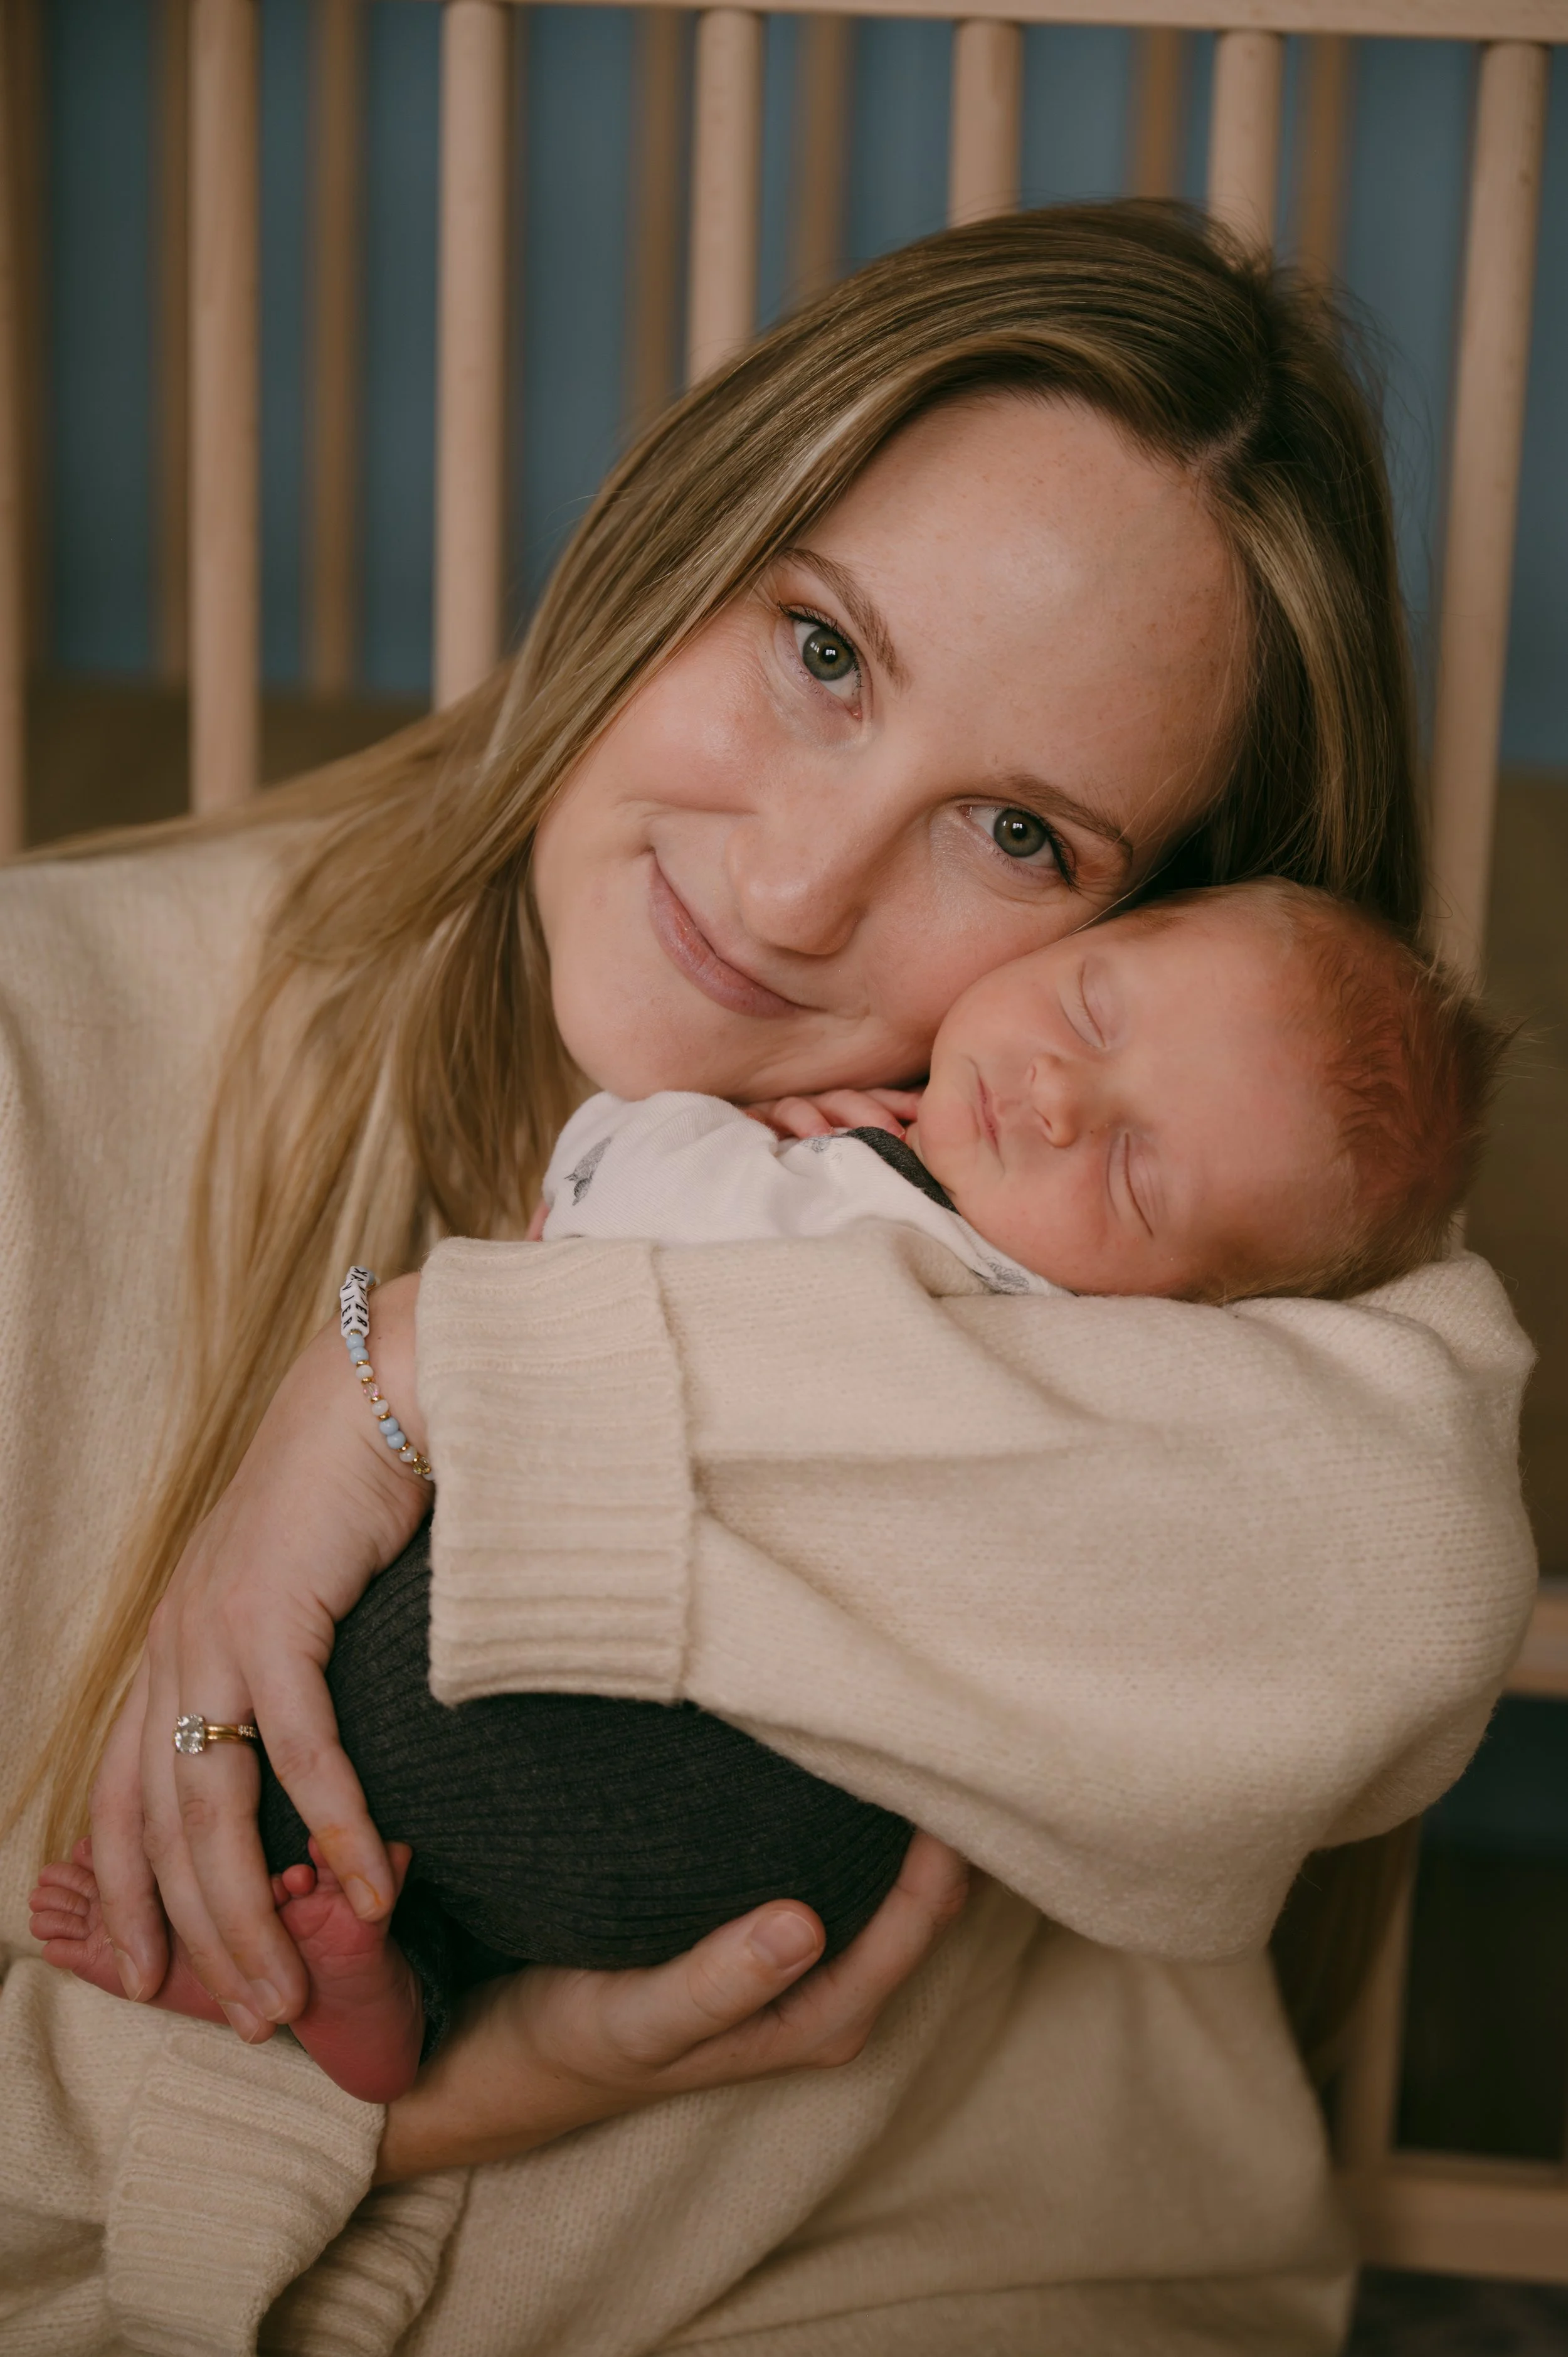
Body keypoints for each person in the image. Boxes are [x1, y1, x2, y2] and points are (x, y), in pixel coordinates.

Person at [0, 206, 1536, 2356]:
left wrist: (451, 1372)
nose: (799, 888)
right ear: (676, 535)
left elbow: (1413, 1576)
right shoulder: (44, 1057)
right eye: (823, 648)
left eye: (1021, 834)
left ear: (1165, 929)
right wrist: (431, 2107)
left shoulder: (1127, 1231)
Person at [29, 876, 1509, 2110]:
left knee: (395, 1709)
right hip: (706, 1869)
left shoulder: (1005, 1318)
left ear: (1184, 1315)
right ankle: (382, 1990)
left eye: (1133, 1175)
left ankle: (347, 1945)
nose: (1059, 1097)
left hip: (704, 1760)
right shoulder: (859, 1148)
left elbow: (600, 1208)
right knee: (413, 1884)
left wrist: (716, 1136)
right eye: (1092, 1008)